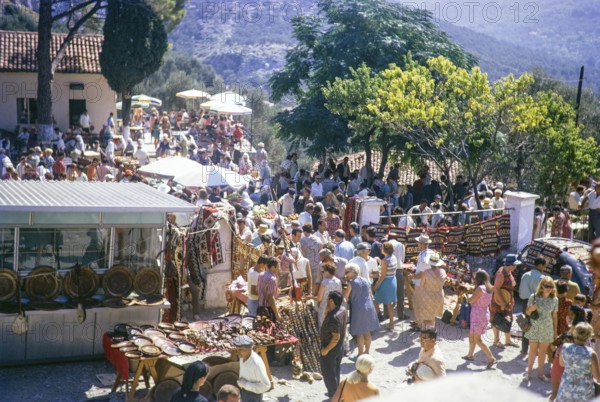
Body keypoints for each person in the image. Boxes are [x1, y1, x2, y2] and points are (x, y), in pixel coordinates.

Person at [524, 276, 558, 382]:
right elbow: (527, 312)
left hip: (547, 328)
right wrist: (531, 308)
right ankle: (528, 373)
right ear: (542, 286)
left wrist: (555, 331)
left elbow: (554, 316)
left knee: (543, 352)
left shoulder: (555, 299)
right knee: (532, 351)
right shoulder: (533, 297)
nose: (548, 288)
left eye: (551, 286)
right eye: (546, 285)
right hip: (534, 326)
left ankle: (540, 373)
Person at [343, 263, 380, 359]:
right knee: (367, 332)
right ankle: (367, 352)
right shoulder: (365, 280)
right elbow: (370, 295)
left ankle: (360, 354)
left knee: (360, 334)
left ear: (352, 272)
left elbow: (345, 298)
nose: (346, 274)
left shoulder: (351, 283)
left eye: (347, 272)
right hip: (369, 307)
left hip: (359, 309)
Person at [556, 322, 600, 401]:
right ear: (589, 335)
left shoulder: (565, 347)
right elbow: (597, 376)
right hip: (584, 392)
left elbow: (562, 364)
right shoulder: (591, 353)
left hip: (566, 388)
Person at [463, 270, 496, 369]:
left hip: (477, 315)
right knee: (472, 335)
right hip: (483, 314)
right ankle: (470, 355)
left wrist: (466, 296)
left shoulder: (480, 288)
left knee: (477, 339)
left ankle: (491, 358)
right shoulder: (489, 288)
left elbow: (471, 300)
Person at [320, 291, 347, 398]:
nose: (326, 300)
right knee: (335, 370)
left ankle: (333, 395)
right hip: (339, 346)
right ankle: (336, 392)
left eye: (327, 299)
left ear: (331, 300)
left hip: (331, 346)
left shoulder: (333, 317)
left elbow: (336, 337)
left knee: (328, 373)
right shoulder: (342, 309)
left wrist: (326, 349)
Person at [518, 257, 546, 355]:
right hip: (535, 303)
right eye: (544, 266)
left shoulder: (525, 275)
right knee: (536, 326)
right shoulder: (541, 278)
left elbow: (520, 291)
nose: (544, 268)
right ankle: (535, 350)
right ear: (541, 265)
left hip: (525, 303)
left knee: (526, 325)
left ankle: (524, 349)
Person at [490, 254, 519, 348]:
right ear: (510, 265)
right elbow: (496, 289)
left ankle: (508, 340)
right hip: (499, 301)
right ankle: (496, 340)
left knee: (508, 319)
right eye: (514, 265)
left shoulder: (508, 272)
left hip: (507, 301)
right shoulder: (501, 274)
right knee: (497, 319)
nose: (516, 267)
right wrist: (503, 303)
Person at [413, 252, 447, 330]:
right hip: (439, 296)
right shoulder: (443, 272)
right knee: (432, 318)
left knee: (426, 319)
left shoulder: (426, 272)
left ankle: (427, 336)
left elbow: (421, 285)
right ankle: (431, 335)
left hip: (428, 297)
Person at [234, 335, 271, 402]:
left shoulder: (256, 364)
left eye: (241, 350)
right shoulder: (242, 357)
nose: (238, 352)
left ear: (250, 349)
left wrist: (246, 384)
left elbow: (266, 385)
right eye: (237, 349)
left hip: (254, 395)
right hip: (244, 392)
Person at [373, 242, 398, 331]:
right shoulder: (393, 257)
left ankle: (373, 323)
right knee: (389, 304)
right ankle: (391, 324)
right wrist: (380, 261)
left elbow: (383, 275)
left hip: (385, 282)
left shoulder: (384, 260)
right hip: (392, 281)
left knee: (376, 302)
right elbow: (387, 267)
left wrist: (376, 284)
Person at [257, 257, 281, 322]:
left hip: (260, 308)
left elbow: (261, 289)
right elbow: (271, 298)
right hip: (269, 310)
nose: (279, 268)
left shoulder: (260, 275)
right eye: (278, 267)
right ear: (273, 267)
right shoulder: (272, 279)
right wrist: (277, 314)